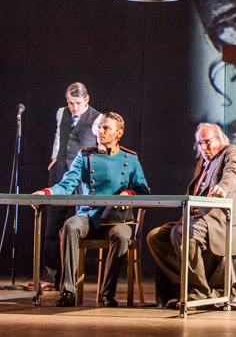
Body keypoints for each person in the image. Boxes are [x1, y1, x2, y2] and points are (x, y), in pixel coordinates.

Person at [146, 123, 236, 310]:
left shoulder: (232, 152)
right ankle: (187, 284)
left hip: (223, 219)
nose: (203, 148)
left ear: (219, 139)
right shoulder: (203, 163)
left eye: (207, 142)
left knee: (183, 233)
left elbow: (233, 174)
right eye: (199, 144)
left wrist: (223, 187)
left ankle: (198, 292)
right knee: (156, 237)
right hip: (197, 219)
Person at [33, 112, 150, 307]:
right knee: (70, 225)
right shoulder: (85, 156)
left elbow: (143, 192)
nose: (100, 131)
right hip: (89, 215)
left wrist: (128, 194)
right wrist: (46, 193)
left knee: (122, 236)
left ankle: (107, 293)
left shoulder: (130, 159)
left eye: (106, 128)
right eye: (99, 127)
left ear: (119, 133)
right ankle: (68, 291)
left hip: (117, 218)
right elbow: (66, 185)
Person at [40, 82, 103, 291]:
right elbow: (59, 137)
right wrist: (54, 158)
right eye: (70, 103)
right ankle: (49, 277)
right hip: (60, 171)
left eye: (77, 103)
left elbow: (99, 145)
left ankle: (71, 276)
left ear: (86, 99)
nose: (73, 107)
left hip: (82, 175)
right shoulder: (62, 113)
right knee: (52, 223)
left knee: (76, 224)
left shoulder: (97, 118)